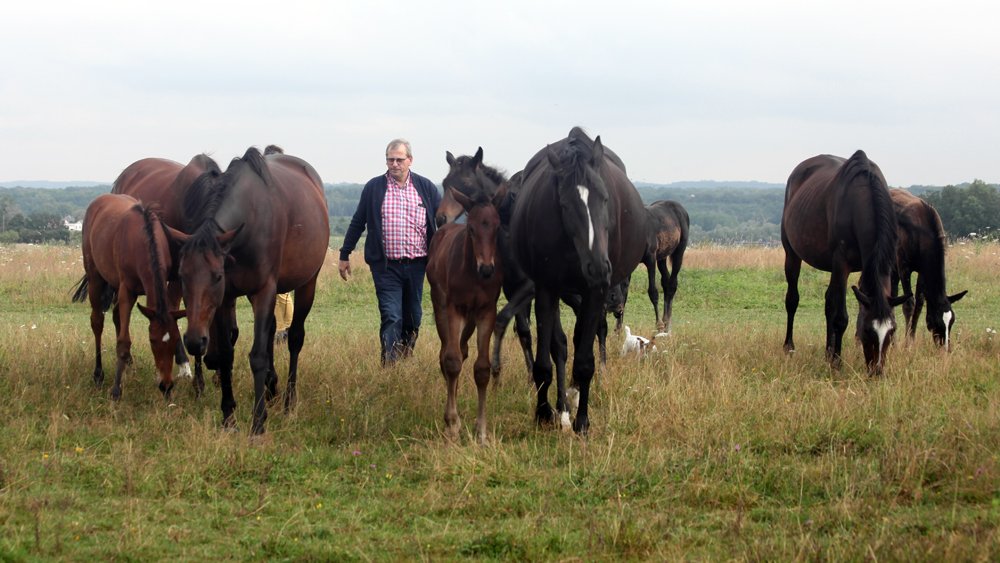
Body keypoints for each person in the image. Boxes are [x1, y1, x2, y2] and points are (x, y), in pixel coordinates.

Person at [339, 139, 441, 365]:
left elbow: (443, 222)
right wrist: (345, 254)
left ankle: (405, 357)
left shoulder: (426, 187)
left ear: (410, 160)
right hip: (385, 266)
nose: (394, 164)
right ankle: (389, 365)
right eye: (390, 160)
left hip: (417, 265)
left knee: (413, 317)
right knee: (392, 315)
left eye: (399, 160)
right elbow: (358, 222)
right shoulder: (374, 188)